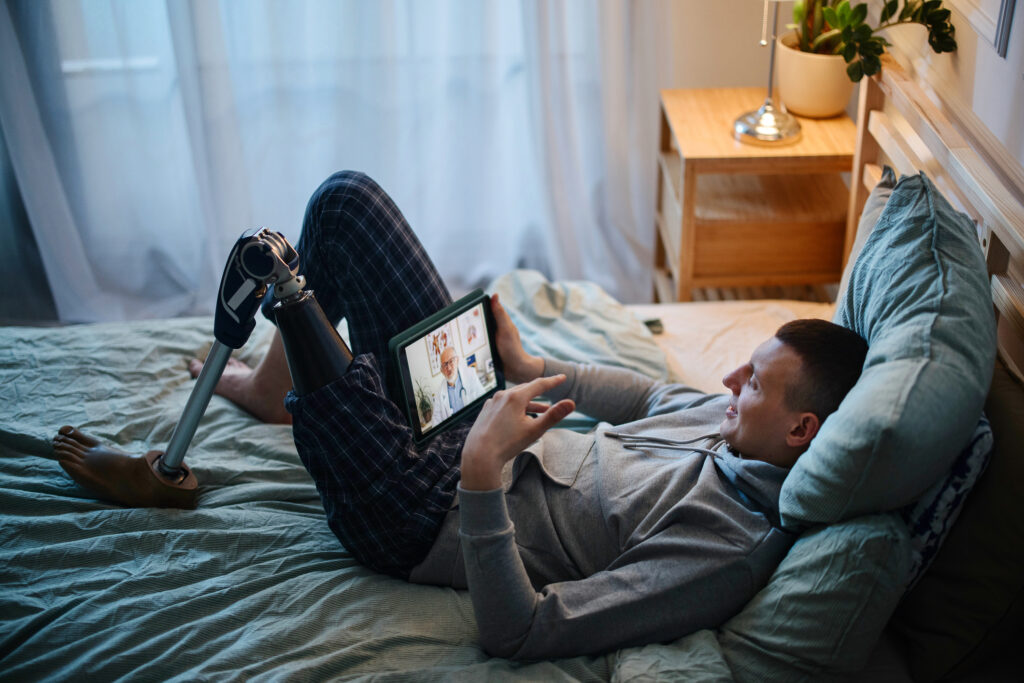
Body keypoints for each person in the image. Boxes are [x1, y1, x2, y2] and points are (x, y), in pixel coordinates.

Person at [56, 171, 868, 661]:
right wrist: (527, 368)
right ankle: (276, 388)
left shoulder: (725, 549)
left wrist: (480, 474)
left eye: (755, 383)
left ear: (801, 430)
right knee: (344, 204)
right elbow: (650, 396)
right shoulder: (729, 419)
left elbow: (523, 631)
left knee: (286, 283)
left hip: (424, 514)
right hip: (475, 423)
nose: (728, 380)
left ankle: (173, 465)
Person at [430, 345, 486, 426]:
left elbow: (484, 401)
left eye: (451, 361)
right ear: (441, 371)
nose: (448, 368)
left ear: (457, 360)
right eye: (445, 365)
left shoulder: (470, 374)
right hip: (455, 430)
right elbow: (436, 419)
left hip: (476, 423)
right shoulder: (439, 392)